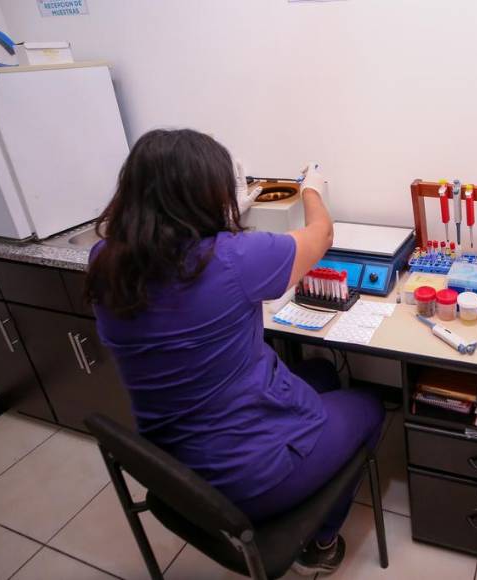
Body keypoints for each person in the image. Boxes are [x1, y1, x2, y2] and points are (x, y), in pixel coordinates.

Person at [85, 128, 384, 575]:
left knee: (319, 371)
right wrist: (312, 190)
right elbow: (319, 237)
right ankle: (320, 544)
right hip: (245, 479)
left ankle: (306, 471)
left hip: (172, 466)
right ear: (210, 195)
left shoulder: (105, 260)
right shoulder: (232, 258)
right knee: (369, 405)